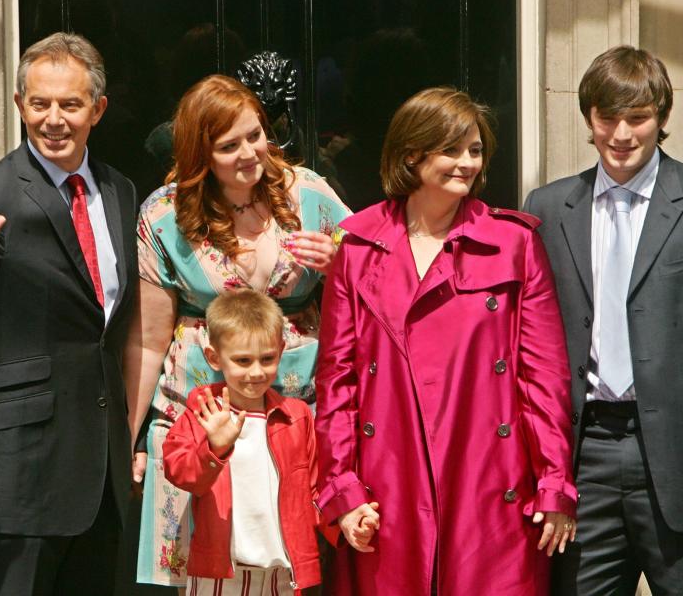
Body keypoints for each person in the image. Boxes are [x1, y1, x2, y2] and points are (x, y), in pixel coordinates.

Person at [315, 87, 578, 595]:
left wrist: (553, 483)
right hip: (388, 485)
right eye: (452, 150)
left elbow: (544, 377)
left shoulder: (514, 244)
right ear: (411, 155)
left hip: (490, 483)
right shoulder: (359, 247)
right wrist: (343, 490)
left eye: (475, 151)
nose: (467, 164)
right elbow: (337, 382)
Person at [0, 32, 138, 595]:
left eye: (70, 104)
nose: (53, 119)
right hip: (20, 478)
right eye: (39, 104)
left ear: (98, 109)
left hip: (102, 477)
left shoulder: (121, 192)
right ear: (18, 106)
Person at [524, 45, 683, 595]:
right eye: (607, 118)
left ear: (662, 118)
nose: (621, 134)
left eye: (638, 117)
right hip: (587, 456)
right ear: (588, 119)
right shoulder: (548, 208)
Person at [126, 74, 351, 588]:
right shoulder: (164, 214)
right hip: (197, 415)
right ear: (199, 154)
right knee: (201, 575)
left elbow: (381, 278)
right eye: (229, 146)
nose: (251, 153)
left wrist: (343, 263)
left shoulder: (309, 194)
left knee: (284, 565)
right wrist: (129, 435)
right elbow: (147, 337)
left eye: (255, 135)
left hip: (293, 415)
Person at [163, 289, 335, 595]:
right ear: (214, 358)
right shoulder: (202, 413)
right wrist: (215, 448)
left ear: (281, 352)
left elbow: (315, 492)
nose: (256, 372)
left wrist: (345, 525)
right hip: (220, 571)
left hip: (282, 571)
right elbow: (180, 472)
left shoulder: (296, 416)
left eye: (267, 359)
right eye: (242, 360)